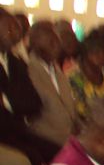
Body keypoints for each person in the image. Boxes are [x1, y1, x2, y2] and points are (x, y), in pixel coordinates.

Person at [0, 7, 53, 165]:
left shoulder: (17, 63)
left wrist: (6, 101)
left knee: (58, 151)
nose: (14, 33)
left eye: (16, 28)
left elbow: (35, 103)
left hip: (17, 130)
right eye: (8, 27)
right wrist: (17, 102)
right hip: (4, 134)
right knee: (31, 158)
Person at [25, 21, 77, 150]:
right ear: (35, 44)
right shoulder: (29, 69)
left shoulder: (57, 70)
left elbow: (69, 109)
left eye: (57, 42)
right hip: (45, 138)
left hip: (69, 136)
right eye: (50, 42)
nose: (56, 46)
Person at [68, 36, 104, 122]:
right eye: (96, 53)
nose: (102, 57)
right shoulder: (75, 79)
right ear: (84, 55)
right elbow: (79, 112)